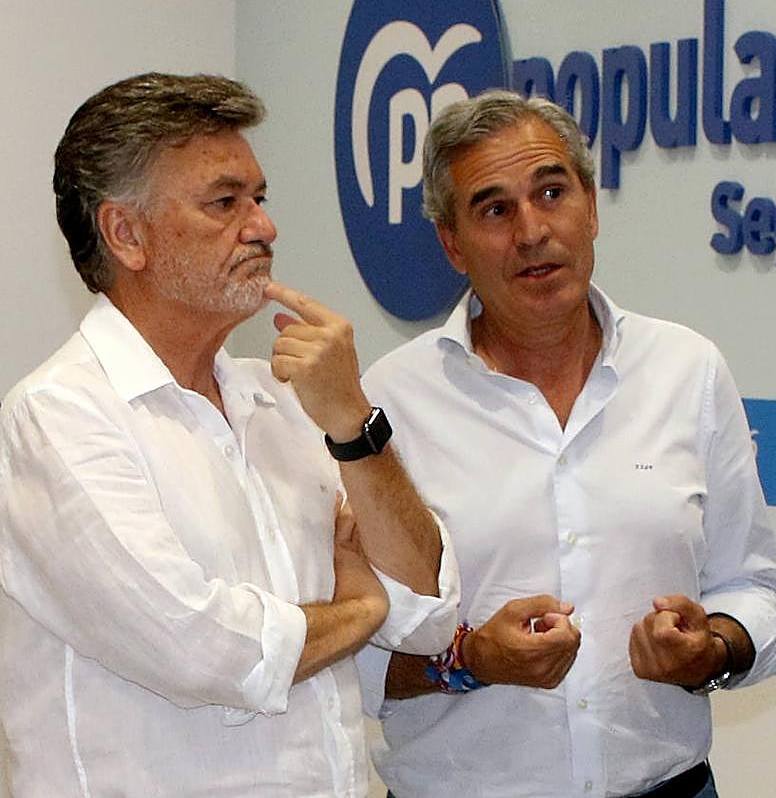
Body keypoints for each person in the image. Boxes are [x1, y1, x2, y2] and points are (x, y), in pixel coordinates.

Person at [0, 73, 458, 797]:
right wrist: (361, 609)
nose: (263, 227)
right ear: (126, 235)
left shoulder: (286, 400)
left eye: (259, 198)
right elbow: (200, 648)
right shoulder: (58, 417)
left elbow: (426, 614)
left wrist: (352, 424)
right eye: (225, 202)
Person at [353, 89, 776, 798]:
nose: (532, 231)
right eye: (495, 210)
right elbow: (354, 651)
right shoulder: (389, 403)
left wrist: (712, 649)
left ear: (591, 206)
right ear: (452, 244)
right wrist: (468, 661)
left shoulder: (687, 369)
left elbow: (752, 587)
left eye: (552, 193)